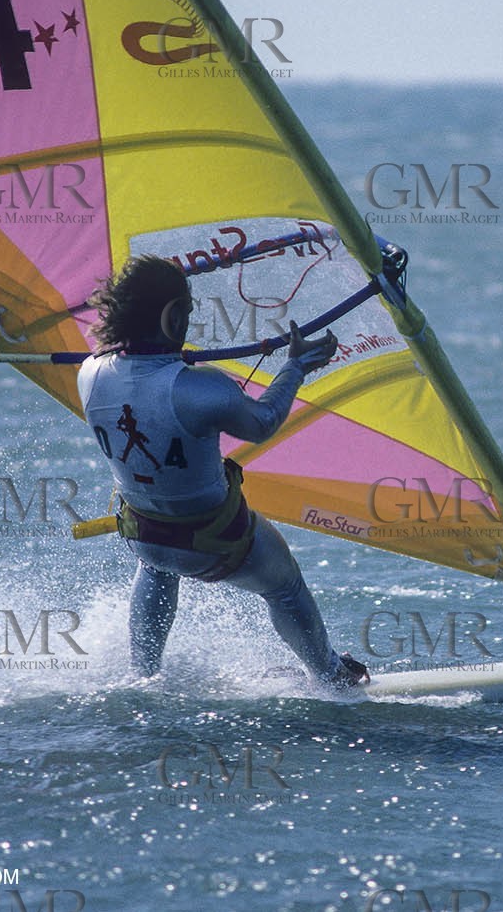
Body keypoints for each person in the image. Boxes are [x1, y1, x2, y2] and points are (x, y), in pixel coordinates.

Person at [77, 254, 369, 687]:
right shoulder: (200, 388)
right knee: (285, 587)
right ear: (172, 316)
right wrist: (295, 367)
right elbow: (262, 422)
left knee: (158, 566)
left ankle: (142, 675)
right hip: (219, 540)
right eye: (188, 312)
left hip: (146, 535)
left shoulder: (90, 373)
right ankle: (329, 674)